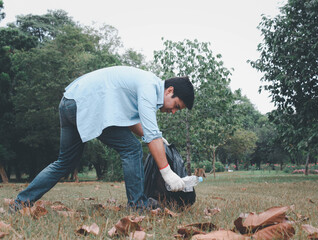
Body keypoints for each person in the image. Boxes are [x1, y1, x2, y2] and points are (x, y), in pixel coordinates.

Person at [11, 66, 195, 210]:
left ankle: (20, 203)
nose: (172, 112)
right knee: (132, 148)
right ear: (169, 90)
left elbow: (130, 122)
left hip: (69, 102)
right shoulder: (149, 87)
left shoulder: (146, 84)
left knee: (64, 162)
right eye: (176, 106)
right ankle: (138, 205)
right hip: (86, 105)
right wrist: (167, 173)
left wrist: (159, 141)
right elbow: (152, 135)